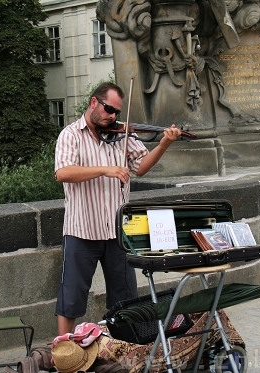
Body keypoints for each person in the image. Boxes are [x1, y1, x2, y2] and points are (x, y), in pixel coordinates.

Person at [54, 81, 183, 335]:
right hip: (82, 230)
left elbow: (142, 166)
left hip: (117, 232)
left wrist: (164, 144)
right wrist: (105, 169)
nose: (113, 117)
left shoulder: (120, 135)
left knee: (124, 297)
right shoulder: (70, 135)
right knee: (71, 297)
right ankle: (64, 355)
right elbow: (63, 172)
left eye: (117, 112)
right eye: (108, 110)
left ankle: (124, 349)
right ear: (94, 103)